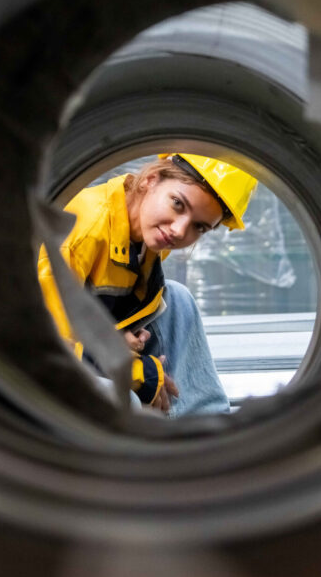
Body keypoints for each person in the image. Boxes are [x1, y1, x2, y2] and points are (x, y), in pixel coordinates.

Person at [38, 153, 257, 416]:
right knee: (125, 400)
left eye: (199, 227)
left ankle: (207, 429)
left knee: (178, 299)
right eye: (178, 204)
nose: (179, 231)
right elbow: (45, 344)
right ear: (150, 180)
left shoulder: (148, 232)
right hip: (32, 364)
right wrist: (142, 373)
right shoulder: (81, 232)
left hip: (86, 345)